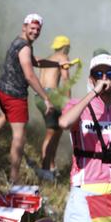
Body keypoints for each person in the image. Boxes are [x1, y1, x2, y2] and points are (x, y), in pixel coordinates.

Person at [59, 53, 111, 222]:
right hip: (85, 191)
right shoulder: (78, 106)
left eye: (110, 74)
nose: (104, 78)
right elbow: (64, 123)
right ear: (90, 78)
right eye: (98, 74)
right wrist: (94, 93)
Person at [0, 13, 53, 184]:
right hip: (14, 95)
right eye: (32, 28)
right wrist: (46, 98)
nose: (35, 32)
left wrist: (56, 64)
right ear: (24, 27)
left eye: (38, 29)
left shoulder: (19, 42)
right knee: (19, 137)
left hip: (1, 89)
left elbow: (34, 61)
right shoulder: (25, 47)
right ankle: (14, 177)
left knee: (2, 117)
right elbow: (30, 75)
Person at [37, 35, 72, 179]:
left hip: (40, 96)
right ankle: (45, 170)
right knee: (51, 134)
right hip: (51, 96)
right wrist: (69, 103)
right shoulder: (63, 57)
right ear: (65, 47)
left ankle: (51, 167)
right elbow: (66, 79)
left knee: (56, 131)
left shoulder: (49, 58)